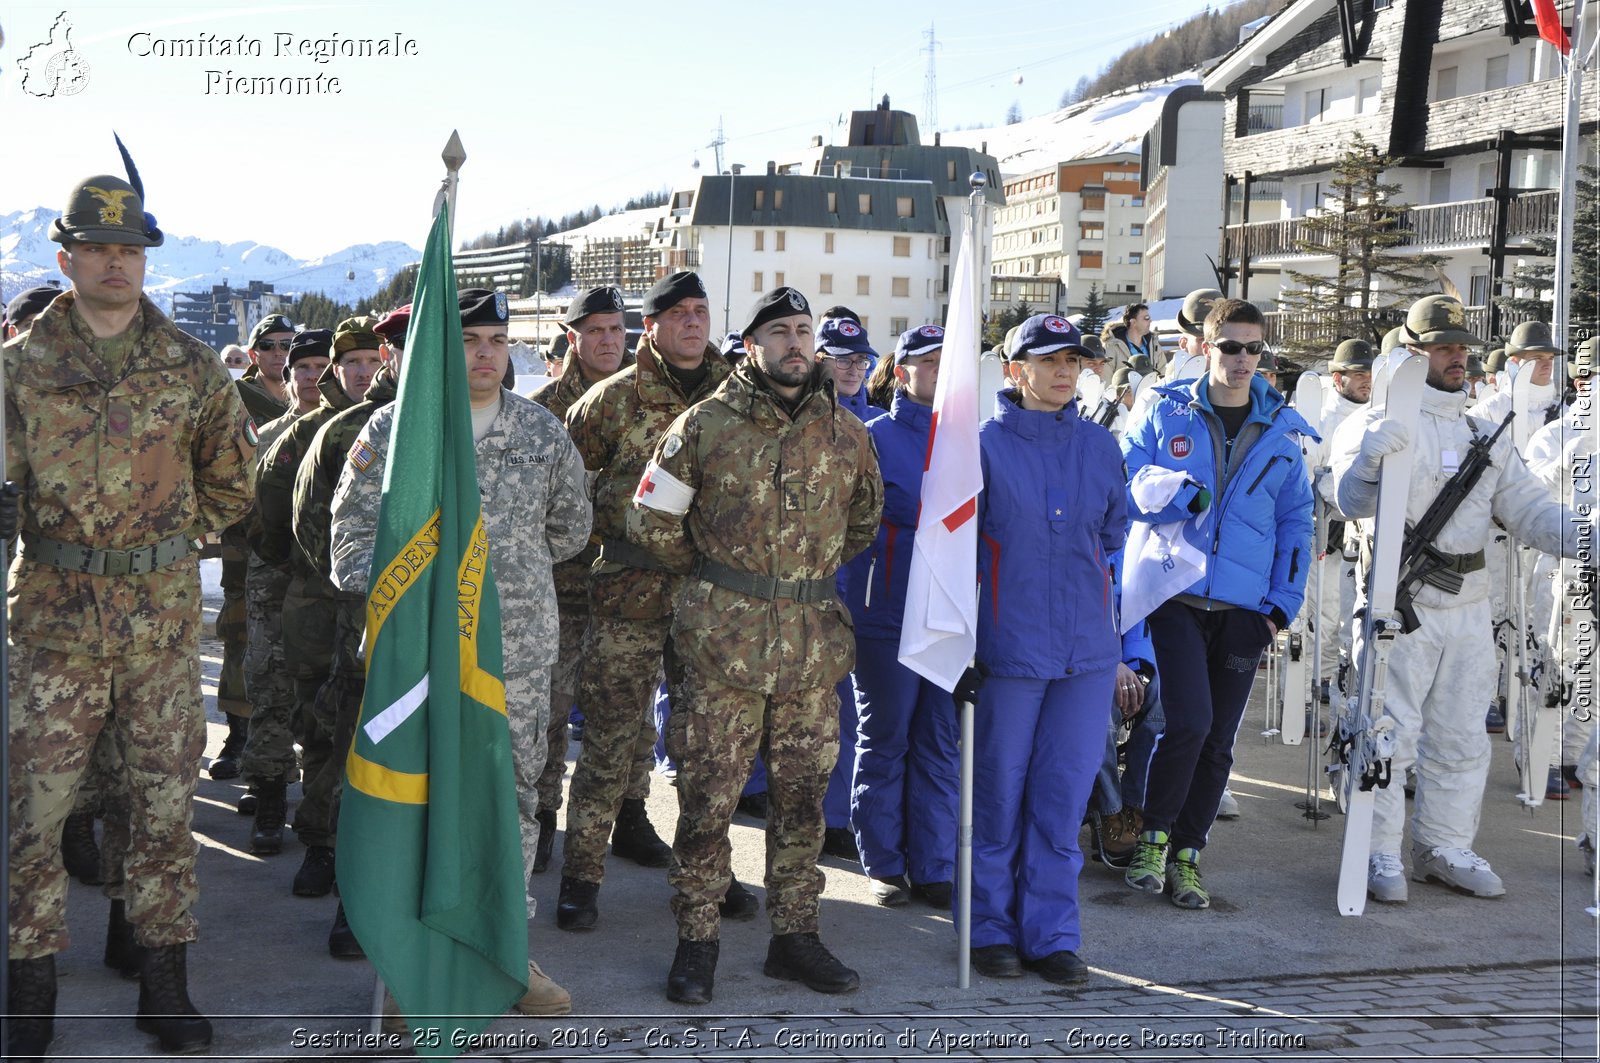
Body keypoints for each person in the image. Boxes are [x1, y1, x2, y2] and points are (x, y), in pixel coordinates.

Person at [6, 170, 256, 1057]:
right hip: (55, 629)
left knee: (161, 810)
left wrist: (163, 535)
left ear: (145, 262)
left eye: (131, 251)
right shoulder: (19, 367)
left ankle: (163, 985)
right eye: (100, 249)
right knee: (34, 816)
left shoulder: (189, 366)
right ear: (66, 257)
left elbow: (235, 478)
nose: (117, 263)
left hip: (157, 630)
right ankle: (29, 994)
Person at [330, 286, 591, 1014]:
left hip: (514, 654)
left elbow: (571, 528)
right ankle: (412, 956)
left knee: (510, 796)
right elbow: (349, 533)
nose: (483, 354)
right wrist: (402, 601)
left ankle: (506, 953)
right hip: (418, 656)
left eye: (496, 341)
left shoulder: (541, 433)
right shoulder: (396, 431)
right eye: (468, 340)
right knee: (417, 789)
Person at [631, 286, 884, 1005]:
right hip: (723, 651)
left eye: (804, 330)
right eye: (779, 331)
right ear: (752, 346)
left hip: (810, 652)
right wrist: (723, 587)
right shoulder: (702, 426)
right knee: (709, 797)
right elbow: (651, 522)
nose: (796, 343)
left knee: (803, 800)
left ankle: (795, 936)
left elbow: (864, 522)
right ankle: (697, 939)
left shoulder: (847, 434)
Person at [1328, 295, 1591, 902]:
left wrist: (1589, 536)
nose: (1457, 358)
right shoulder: (1375, 424)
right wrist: (1368, 463)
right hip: (1401, 604)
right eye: (1443, 346)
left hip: (1470, 604)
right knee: (1387, 732)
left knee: (1463, 737)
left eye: (1461, 347)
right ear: (1414, 353)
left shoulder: (1484, 433)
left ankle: (1443, 845)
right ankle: (1378, 851)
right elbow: (1349, 502)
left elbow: (1528, 511)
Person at [1120, 298, 1315, 910]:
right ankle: (1152, 840)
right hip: (1175, 596)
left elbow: (1297, 520)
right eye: (1230, 346)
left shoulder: (1282, 427)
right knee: (1189, 724)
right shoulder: (1165, 410)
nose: (1242, 359)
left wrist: (1280, 604)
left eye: (1253, 348)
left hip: (1244, 610)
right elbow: (1125, 484)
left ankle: (1187, 856)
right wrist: (1183, 499)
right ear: (1204, 346)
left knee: (1220, 741)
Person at [557, 272, 737, 932]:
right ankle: (581, 876)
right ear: (651, 326)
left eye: (701, 310)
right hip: (628, 594)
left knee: (710, 749)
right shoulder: (612, 400)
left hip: (713, 601)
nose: (692, 322)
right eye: (677, 313)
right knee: (609, 743)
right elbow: (563, 490)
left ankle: (710, 876)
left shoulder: (738, 397)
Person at [959, 313, 1130, 984]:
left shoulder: (1100, 446)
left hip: (1085, 654)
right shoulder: (980, 447)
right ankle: (990, 928)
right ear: (1015, 369)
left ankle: (1053, 932)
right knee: (998, 796)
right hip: (1008, 650)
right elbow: (954, 555)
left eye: (1074, 359)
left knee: (1061, 799)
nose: (1065, 370)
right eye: (1049, 359)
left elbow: (1112, 536)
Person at [250, 317, 379, 912]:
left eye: (370, 360)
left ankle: (367, 849)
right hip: (320, 608)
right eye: (349, 361)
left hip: (383, 609)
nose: (362, 372)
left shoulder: (409, 427)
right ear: (334, 368)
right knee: (321, 728)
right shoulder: (305, 436)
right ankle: (321, 843)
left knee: (377, 730)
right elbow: (272, 526)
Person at [289, 307, 406, 956]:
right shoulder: (352, 432)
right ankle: (346, 883)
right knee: (355, 756)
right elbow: (311, 528)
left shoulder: (482, 421)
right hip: (367, 631)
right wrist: (362, 594)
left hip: (456, 636)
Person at [842, 324, 960, 907]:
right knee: (886, 737)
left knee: (939, 739)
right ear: (902, 369)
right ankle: (885, 863)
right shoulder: (872, 436)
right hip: (885, 610)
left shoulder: (969, 438)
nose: (938, 367)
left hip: (949, 615)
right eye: (926, 359)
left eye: (948, 359)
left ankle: (934, 864)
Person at [527, 286, 636, 875]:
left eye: (617, 330)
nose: (608, 341)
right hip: (561, 595)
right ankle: (542, 818)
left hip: (626, 592)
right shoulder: (542, 411)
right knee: (549, 717)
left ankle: (632, 814)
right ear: (573, 338)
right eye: (596, 330)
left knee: (630, 720)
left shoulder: (641, 402)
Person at [238, 328, 334, 859]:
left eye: (323, 366)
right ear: (288, 376)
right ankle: (271, 794)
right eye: (303, 368)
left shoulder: (354, 433)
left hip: (326, 590)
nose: (313, 377)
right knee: (271, 689)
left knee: (325, 698)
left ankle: (321, 807)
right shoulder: (268, 437)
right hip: (274, 582)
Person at [208, 313, 294, 789]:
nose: (280, 354)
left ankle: (282, 741)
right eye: (271, 346)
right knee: (241, 630)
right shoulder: (238, 397)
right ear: (255, 352)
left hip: (298, 536)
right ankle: (238, 734)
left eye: (288, 345)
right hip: (247, 533)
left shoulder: (311, 391)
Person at [1101, 303, 1155, 369]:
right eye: (1146, 318)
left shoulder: (1154, 344)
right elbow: (1106, 376)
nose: (1150, 321)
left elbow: (1163, 374)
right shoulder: (1111, 347)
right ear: (1133, 322)